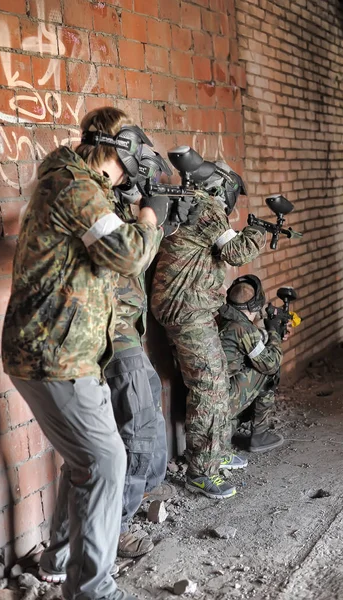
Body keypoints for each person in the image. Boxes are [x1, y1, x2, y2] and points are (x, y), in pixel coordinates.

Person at [2, 106, 165, 600]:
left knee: (87, 461)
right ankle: (93, 590)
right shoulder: (77, 189)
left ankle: (60, 559)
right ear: (118, 150)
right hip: (54, 356)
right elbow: (128, 255)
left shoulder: (74, 183)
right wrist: (151, 218)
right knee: (105, 461)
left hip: (60, 351)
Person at [151, 154, 267, 500]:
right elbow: (237, 252)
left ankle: (212, 453)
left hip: (188, 306)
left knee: (211, 380)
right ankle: (201, 471)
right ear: (222, 187)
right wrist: (259, 229)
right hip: (187, 309)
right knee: (211, 386)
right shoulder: (207, 208)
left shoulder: (195, 204)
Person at [107, 148, 180, 560]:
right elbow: (131, 253)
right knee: (135, 431)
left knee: (149, 406)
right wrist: (148, 214)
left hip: (128, 331)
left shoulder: (113, 206)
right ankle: (116, 528)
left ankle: (148, 485)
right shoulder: (99, 207)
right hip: (113, 333)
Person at [218, 275, 286, 452]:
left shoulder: (222, 317)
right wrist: (274, 333)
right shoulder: (242, 328)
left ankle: (234, 426)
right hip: (223, 400)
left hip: (213, 396)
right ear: (254, 305)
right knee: (270, 369)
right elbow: (270, 363)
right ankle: (260, 434)